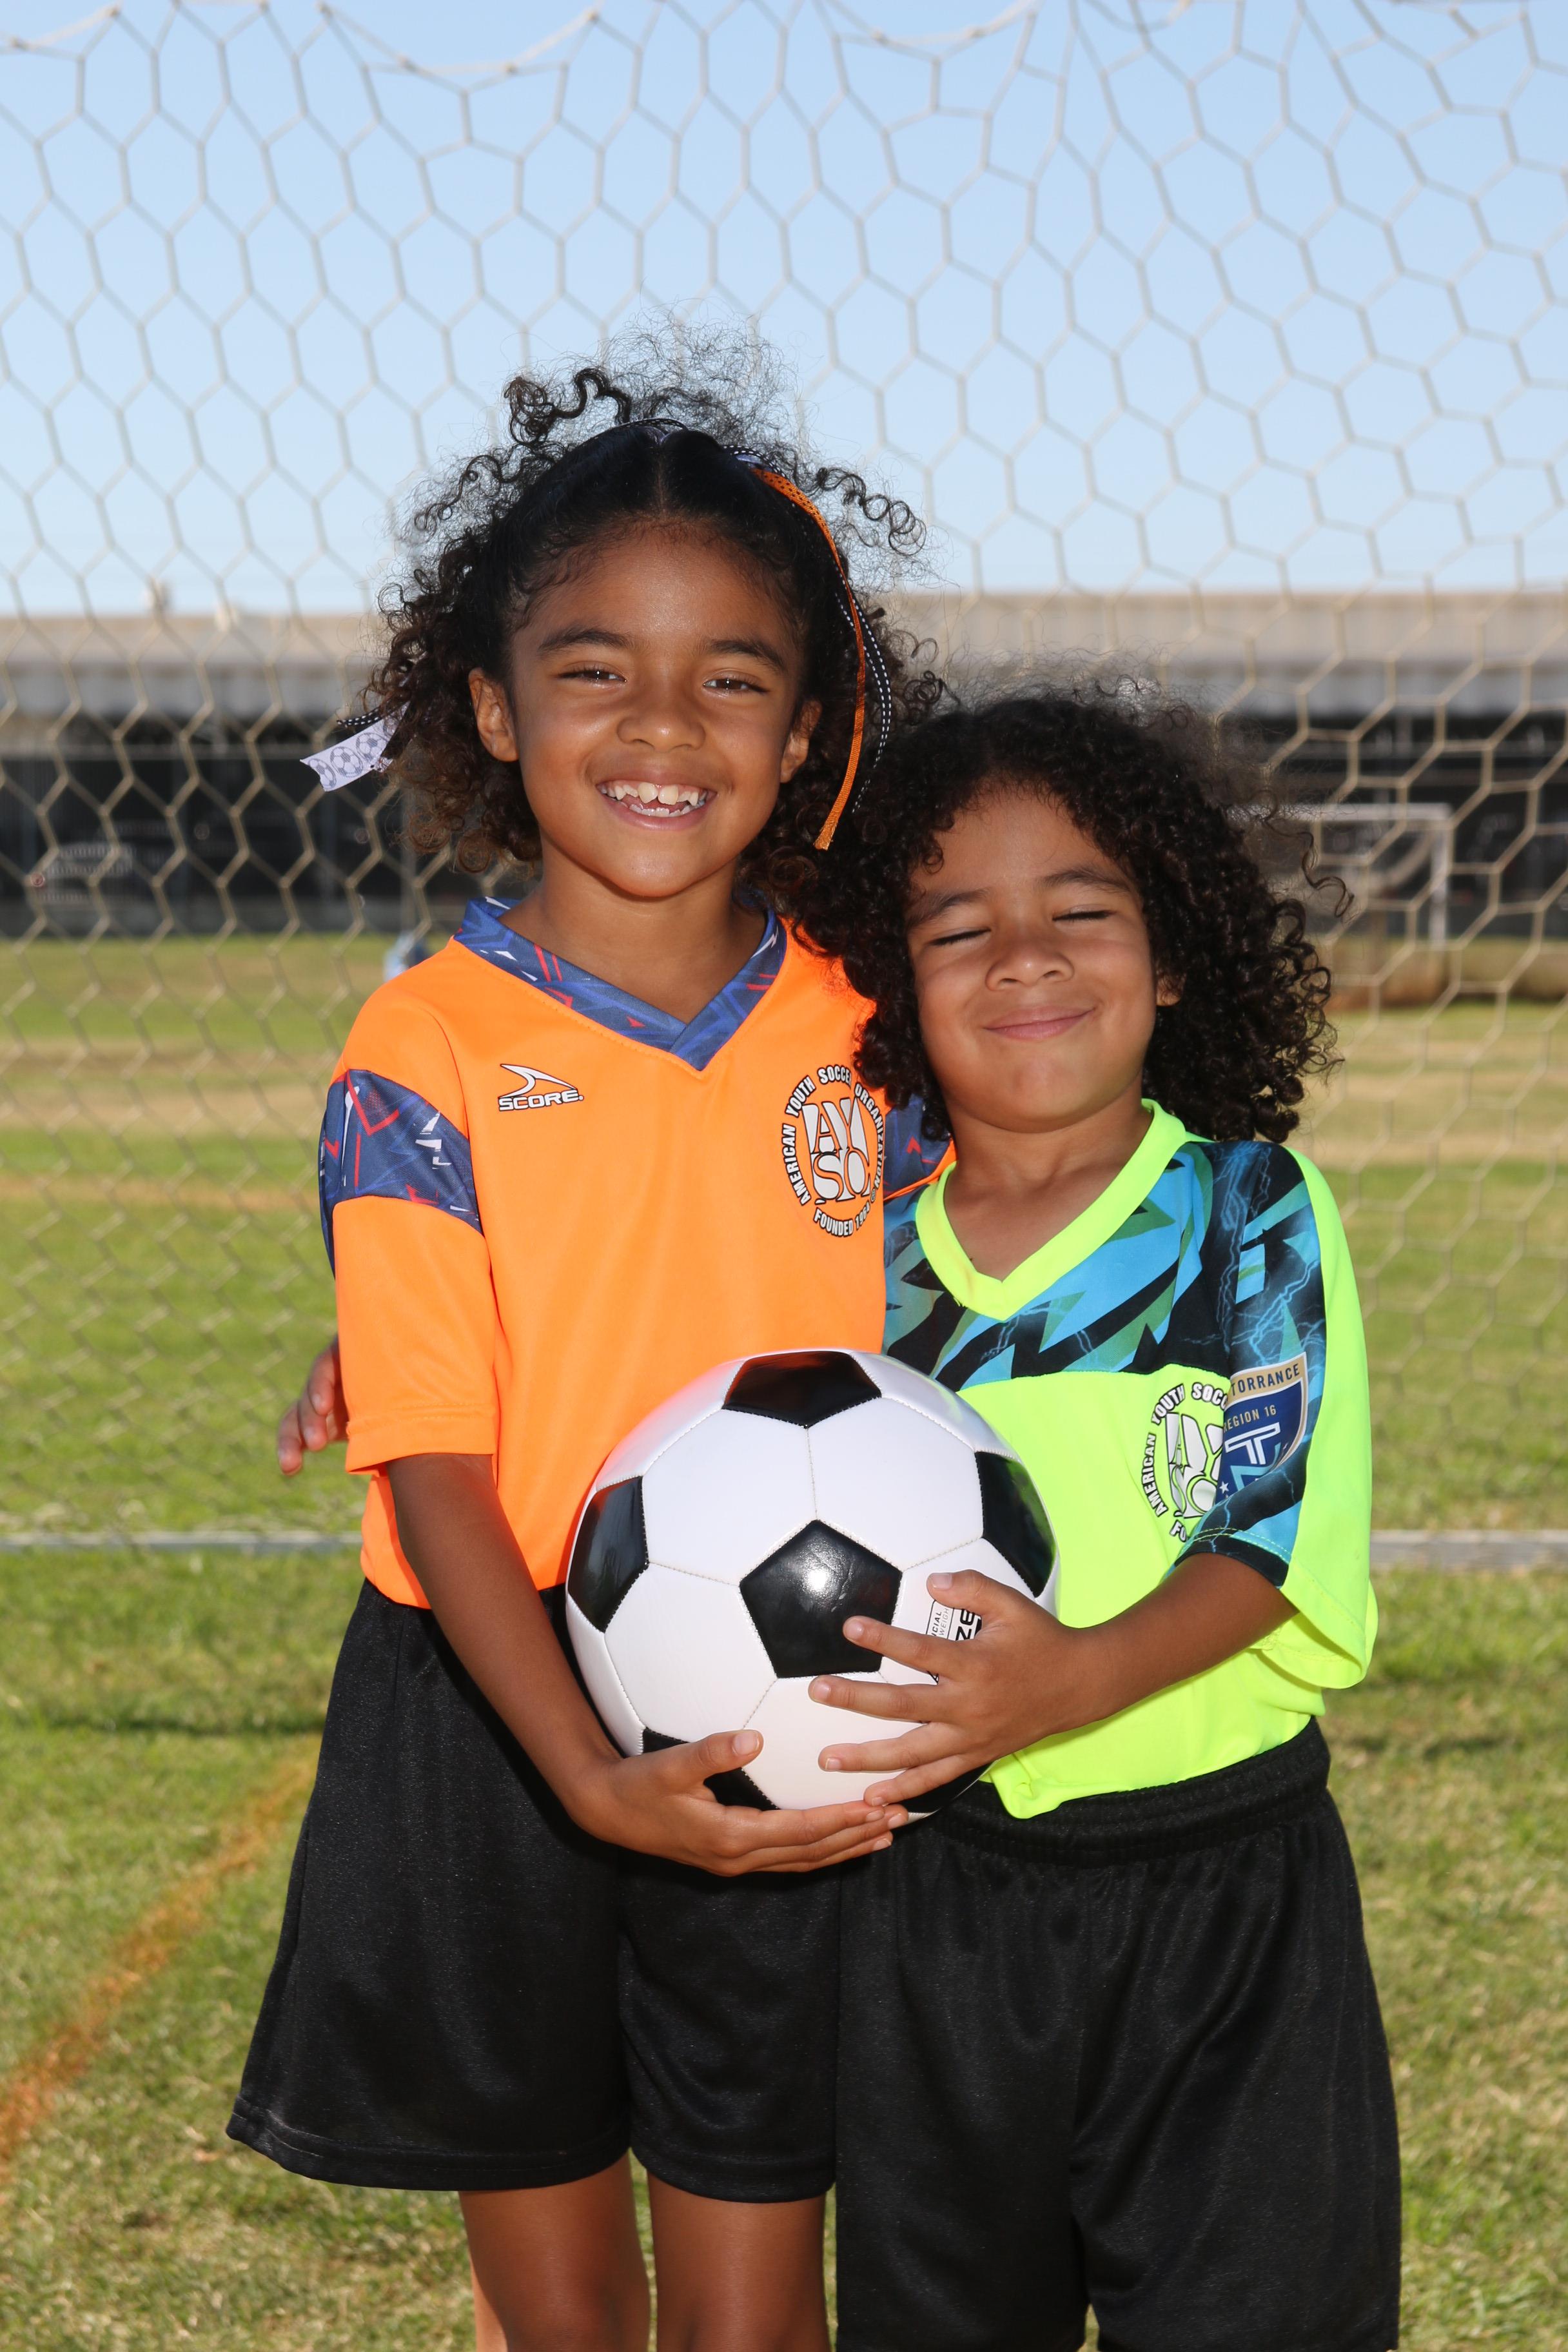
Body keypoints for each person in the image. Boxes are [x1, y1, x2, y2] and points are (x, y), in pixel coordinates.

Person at [233, 352, 944, 2352]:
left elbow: (987, 1278)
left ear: (803, 733)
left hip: (792, 1694)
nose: (660, 726)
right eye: (595, 669)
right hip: (494, 1714)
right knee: (563, 2325)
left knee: (753, 2322)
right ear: (491, 702)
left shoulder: (871, 1026)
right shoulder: (426, 1046)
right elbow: (435, 1455)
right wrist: (583, 1772)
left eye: (730, 678)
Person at [804, 685, 1402, 2352]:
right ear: (892, 982)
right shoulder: (857, 1261)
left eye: (1081, 913)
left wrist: (1068, 1681)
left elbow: (1269, 1542)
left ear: (1175, 954)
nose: (1025, 961)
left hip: (1224, 1901)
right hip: (931, 1910)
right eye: (959, 929)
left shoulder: (1245, 1212)